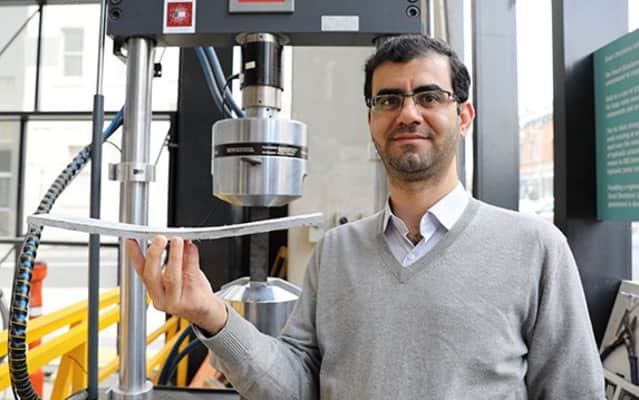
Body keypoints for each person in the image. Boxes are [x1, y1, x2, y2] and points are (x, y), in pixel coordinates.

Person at [128, 35, 605, 399]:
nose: (408, 113)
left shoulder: (535, 248)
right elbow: (296, 386)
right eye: (388, 100)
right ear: (372, 120)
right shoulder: (337, 252)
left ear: (463, 117)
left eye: (429, 97)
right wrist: (210, 314)